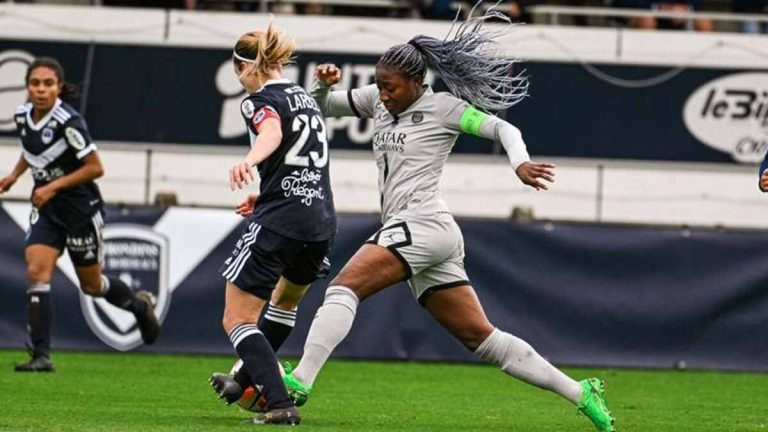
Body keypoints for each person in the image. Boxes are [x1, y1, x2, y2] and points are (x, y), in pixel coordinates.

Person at [280, 6, 616, 432]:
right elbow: (322, 109)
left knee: (344, 287)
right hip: (427, 234)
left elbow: (504, 130)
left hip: (422, 223)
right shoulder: (377, 101)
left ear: (418, 83)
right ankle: (581, 392)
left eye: (391, 88)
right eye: (380, 86)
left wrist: (520, 164)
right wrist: (323, 87)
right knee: (482, 338)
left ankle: (301, 380)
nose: (383, 95)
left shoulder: (445, 109)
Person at [207, 19, 336, 426]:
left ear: (244, 66)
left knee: (237, 318)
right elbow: (304, 160)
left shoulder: (258, 100)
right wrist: (264, 192)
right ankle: (242, 379)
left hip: (281, 221)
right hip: (319, 219)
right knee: (282, 303)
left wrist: (249, 160)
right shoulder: (305, 97)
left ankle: (280, 403)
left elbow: (273, 133)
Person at [0, 57, 160, 372]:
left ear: (59, 87)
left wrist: (53, 186)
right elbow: (31, 149)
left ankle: (140, 307)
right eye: (35, 84)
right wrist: (15, 175)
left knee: (92, 285)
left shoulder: (69, 121)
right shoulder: (22, 116)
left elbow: (95, 167)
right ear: (28, 87)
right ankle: (41, 356)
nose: (41, 90)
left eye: (48, 84)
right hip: (47, 210)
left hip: (79, 211)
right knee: (37, 272)